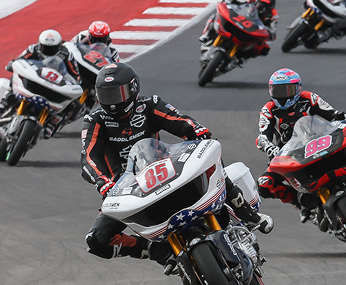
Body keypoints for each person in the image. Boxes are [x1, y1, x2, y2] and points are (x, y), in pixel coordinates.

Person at [82, 62, 273, 270]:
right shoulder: (95, 119)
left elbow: (180, 121)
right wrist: (103, 182)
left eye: (117, 94)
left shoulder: (149, 105)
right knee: (96, 240)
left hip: (165, 169)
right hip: (127, 188)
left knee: (209, 155)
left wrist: (197, 130)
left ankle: (247, 214)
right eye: (106, 95)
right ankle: (153, 249)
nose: (112, 102)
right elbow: (88, 157)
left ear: (133, 89)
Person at [255, 68, 346, 223]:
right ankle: (299, 203)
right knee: (264, 184)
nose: (282, 95)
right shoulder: (268, 109)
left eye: (287, 90)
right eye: (277, 90)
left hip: (318, 142)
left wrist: (342, 116)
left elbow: (331, 114)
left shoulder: (309, 98)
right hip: (289, 154)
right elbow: (263, 135)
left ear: (297, 88)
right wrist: (269, 146)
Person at [0, 29, 83, 138]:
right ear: (40, 44)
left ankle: (52, 125)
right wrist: (12, 64)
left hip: (54, 84)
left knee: (72, 102)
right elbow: (20, 60)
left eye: (51, 48)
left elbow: (75, 73)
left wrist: (75, 82)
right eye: (45, 47)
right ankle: (4, 102)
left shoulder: (67, 54)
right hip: (35, 78)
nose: (48, 50)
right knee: (16, 76)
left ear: (58, 46)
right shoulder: (33, 48)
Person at [199, 0, 278, 58]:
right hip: (241, 19)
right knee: (215, 16)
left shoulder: (274, 16)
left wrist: (269, 33)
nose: (262, 8)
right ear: (258, 0)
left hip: (254, 30)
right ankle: (206, 35)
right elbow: (235, 0)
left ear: (271, 7)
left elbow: (273, 31)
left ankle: (242, 57)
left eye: (266, 6)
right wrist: (228, 0)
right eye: (261, 4)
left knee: (264, 47)